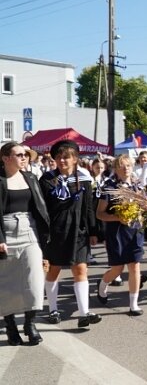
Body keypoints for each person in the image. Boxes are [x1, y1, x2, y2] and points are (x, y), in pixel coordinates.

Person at [39, 140, 102, 327]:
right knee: (54, 270)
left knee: (80, 269)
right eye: (58, 157)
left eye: (66, 156)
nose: (62, 160)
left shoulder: (84, 178)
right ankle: (52, 309)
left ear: (75, 159)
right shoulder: (47, 179)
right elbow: (42, 209)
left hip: (78, 231)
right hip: (56, 231)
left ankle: (84, 313)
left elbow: (88, 207)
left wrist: (93, 230)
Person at [0, 142, 49, 345]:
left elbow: (40, 206)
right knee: (7, 283)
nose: (24, 158)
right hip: (7, 231)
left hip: (30, 231)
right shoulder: (1, 180)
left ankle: (30, 323)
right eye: (19, 154)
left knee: (34, 280)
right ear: (5, 158)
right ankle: (11, 326)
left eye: (26, 155)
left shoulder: (30, 177)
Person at [94, 155, 147, 315]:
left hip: (135, 230)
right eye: (122, 166)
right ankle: (102, 285)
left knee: (135, 266)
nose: (126, 169)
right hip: (116, 232)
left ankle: (133, 305)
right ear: (116, 169)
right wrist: (118, 217)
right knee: (117, 269)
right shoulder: (109, 187)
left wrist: (143, 213)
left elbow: (144, 207)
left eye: (128, 165)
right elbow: (99, 214)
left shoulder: (138, 185)